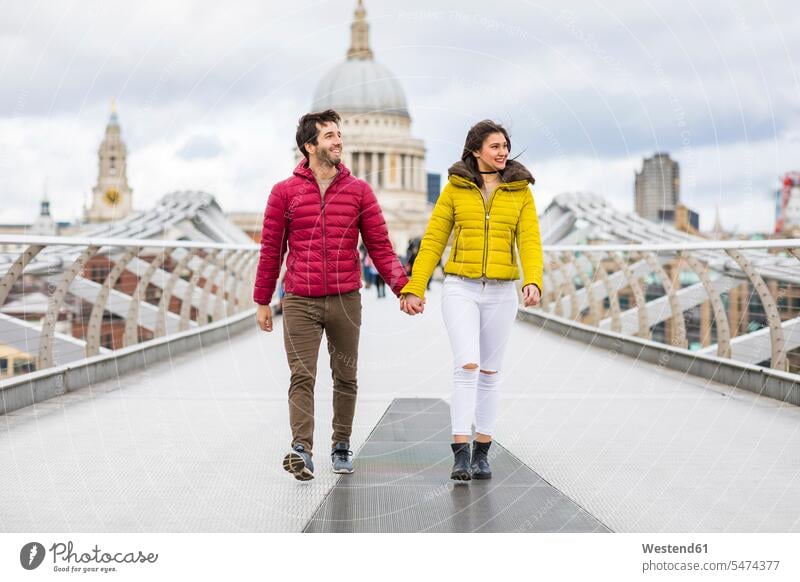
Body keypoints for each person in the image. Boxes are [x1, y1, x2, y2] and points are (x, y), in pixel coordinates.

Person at [254, 109, 408, 480]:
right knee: (301, 375)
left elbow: (381, 248)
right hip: (300, 300)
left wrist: (405, 289)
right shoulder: (283, 193)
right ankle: (301, 450)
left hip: (344, 299)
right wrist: (262, 301)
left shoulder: (359, 191)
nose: (338, 141)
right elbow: (271, 249)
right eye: (329, 136)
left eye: (339, 135)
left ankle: (341, 444)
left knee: (346, 376)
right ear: (309, 146)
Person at [399, 120, 543, 482]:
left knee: (491, 373)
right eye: (495, 146)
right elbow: (433, 240)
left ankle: (483, 452)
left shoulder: (521, 191)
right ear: (476, 150)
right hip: (460, 287)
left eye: (505, 146)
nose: (503, 152)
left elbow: (529, 240)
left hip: (500, 292)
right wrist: (415, 287)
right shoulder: (454, 188)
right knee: (468, 365)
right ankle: (460, 453)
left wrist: (534, 280)